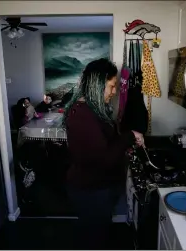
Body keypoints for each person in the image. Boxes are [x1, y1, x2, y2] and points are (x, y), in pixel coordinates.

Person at [63, 58, 145, 249]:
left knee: (97, 234)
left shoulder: (92, 110)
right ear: (97, 85)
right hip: (90, 192)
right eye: (111, 86)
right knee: (94, 239)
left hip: (97, 189)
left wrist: (123, 142)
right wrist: (129, 136)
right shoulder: (82, 116)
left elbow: (104, 145)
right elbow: (104, 159)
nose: (114, 91)